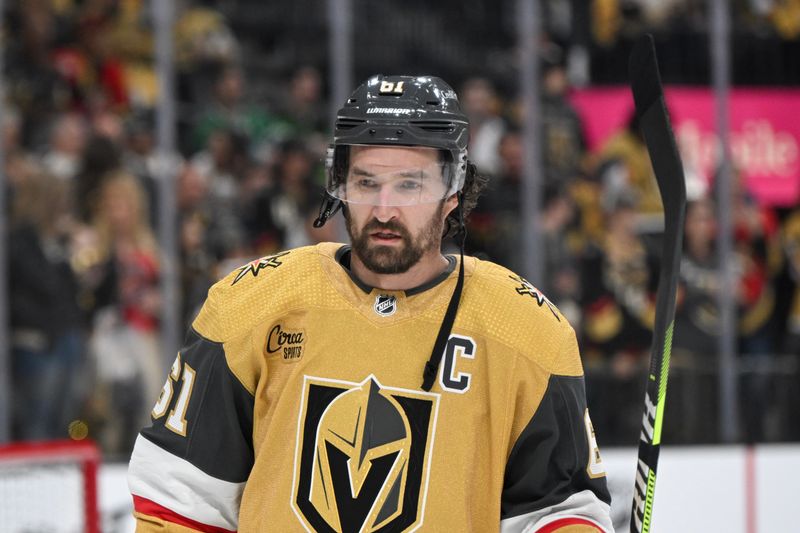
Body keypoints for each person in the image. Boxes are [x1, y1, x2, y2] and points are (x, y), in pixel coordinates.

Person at [128, 75, 612, 532]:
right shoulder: (252, 304)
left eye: (409, 184)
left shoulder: (526, 330)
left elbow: (558, 509)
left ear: (453, 191)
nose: (384, 209)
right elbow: (177, 500)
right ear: (339, 184)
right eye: (365, 183)